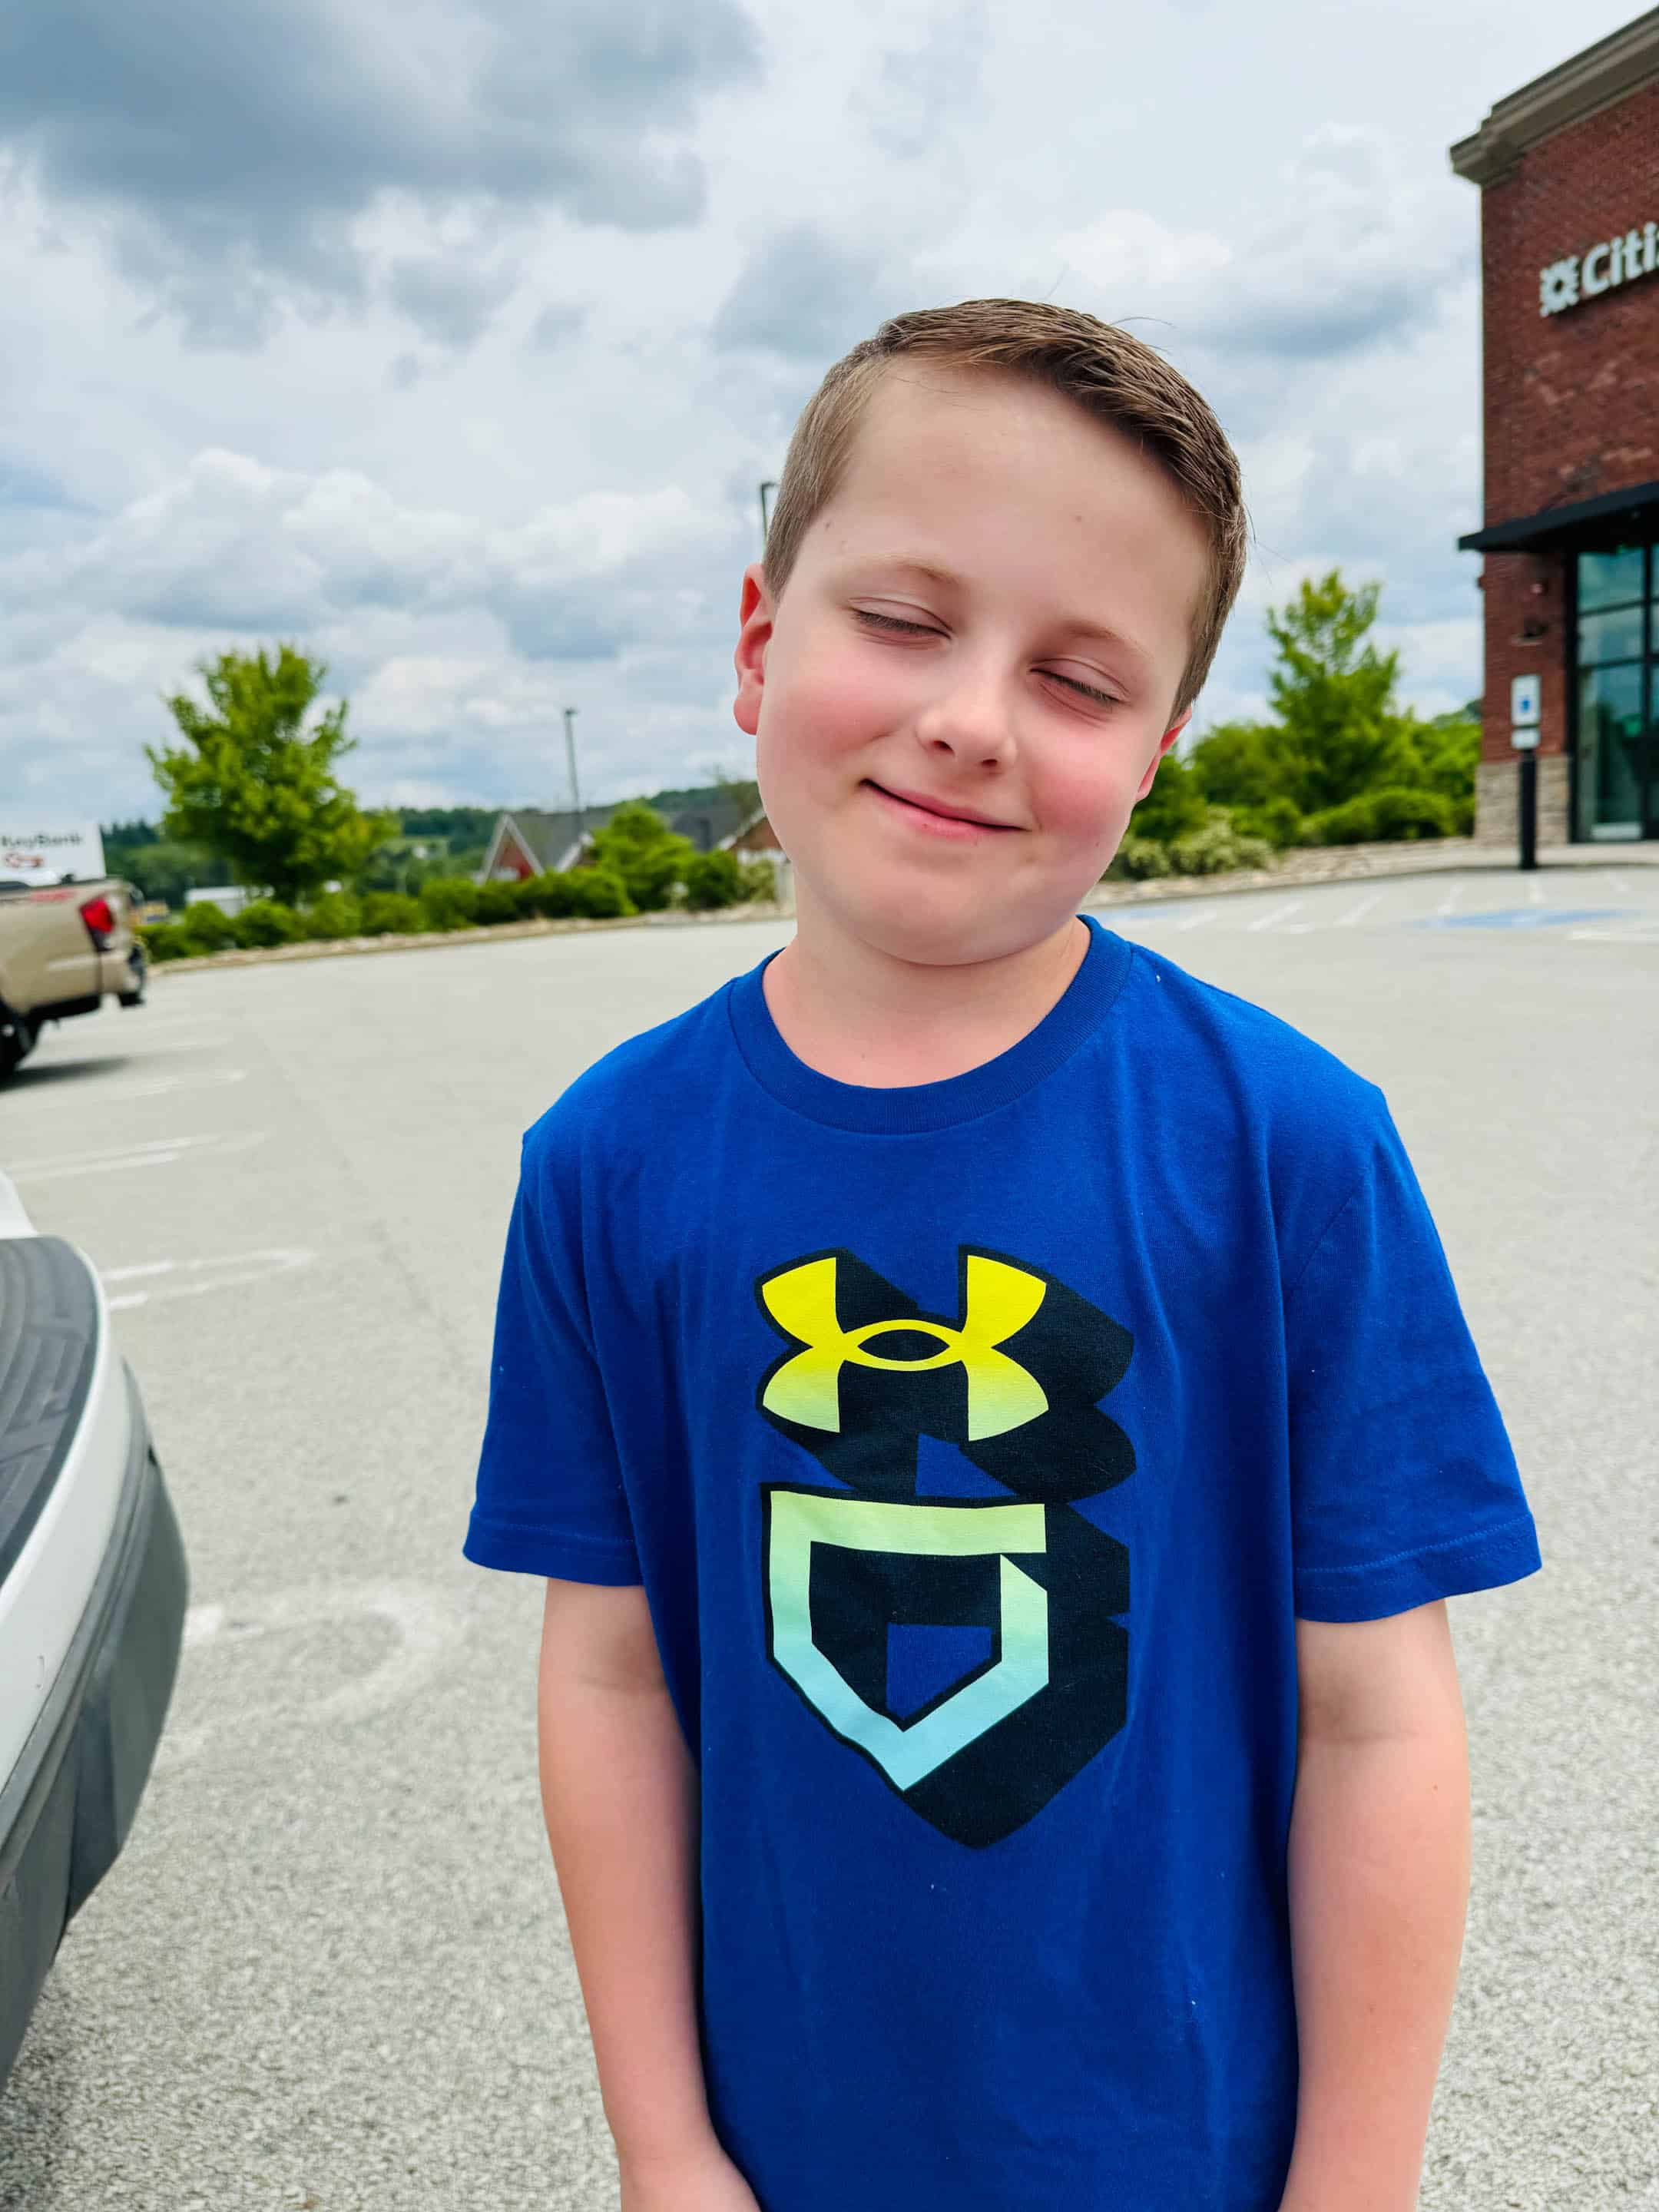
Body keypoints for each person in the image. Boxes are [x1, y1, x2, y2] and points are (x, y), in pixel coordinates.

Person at [463, 298, 1541, 2212]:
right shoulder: (607, 1166)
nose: (971, 717)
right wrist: (663, 2147)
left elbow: (1376, 1714)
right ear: (756, 642)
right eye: (902, 619)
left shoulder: (1289, 1148)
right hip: (786, 2151)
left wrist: (1355, 2190)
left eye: (1080, 676)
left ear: (1161, 749)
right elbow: (614, 1681)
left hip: (1192, 2155)